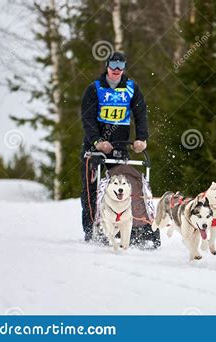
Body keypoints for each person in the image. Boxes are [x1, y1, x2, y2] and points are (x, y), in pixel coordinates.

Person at [80, 51, 148, 242]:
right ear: (107, 66)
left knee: (121, 189)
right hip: (93, 150)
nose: (117, 70)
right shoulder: (94, 88)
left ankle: (129, 228)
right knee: (91, 190)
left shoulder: (131, 88)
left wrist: (142, 138)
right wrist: (98, 141)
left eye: (121, 66)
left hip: (120, 147)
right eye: (113, 66)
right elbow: (88, 119)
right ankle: (92, 230)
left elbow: (141, 115)